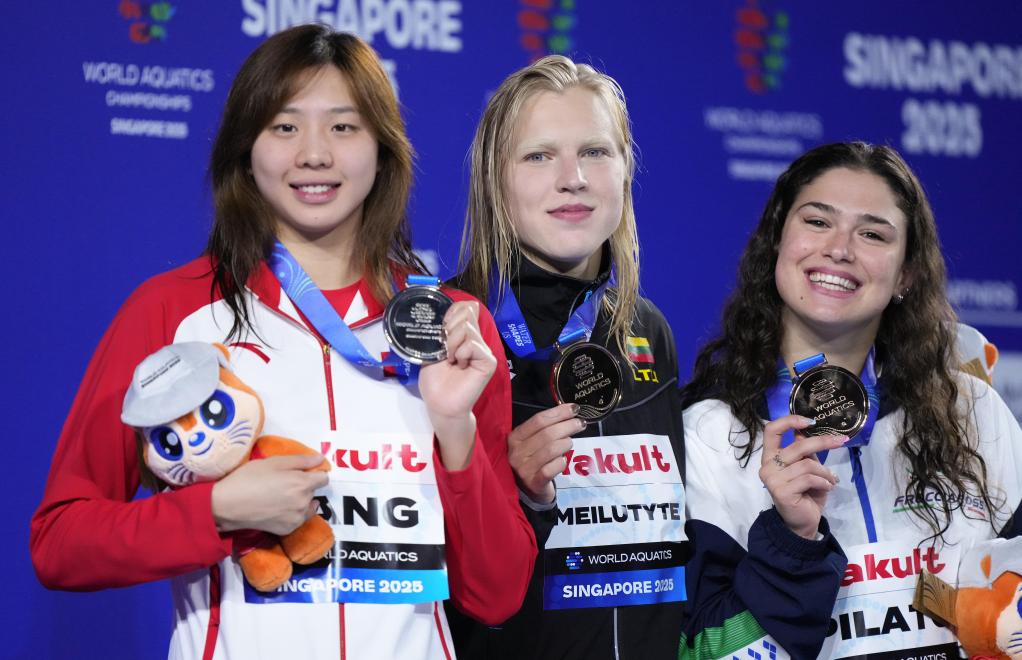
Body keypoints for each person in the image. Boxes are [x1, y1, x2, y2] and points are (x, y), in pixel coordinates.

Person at [30, 25, 535, 660]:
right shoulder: (171, 312)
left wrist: (455, 430)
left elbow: (496, 594)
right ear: (246, 150)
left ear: (382, 149)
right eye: (284, 126)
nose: (315, 154)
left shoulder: (448, 325)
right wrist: (216, 509)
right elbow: (61, 542)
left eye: (344, 127)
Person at [679, 142, 1022, 659]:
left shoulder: (970, 411)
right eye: (818, 222)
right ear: (777, 241)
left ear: (906, 273)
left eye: (873, 234)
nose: (840, 249)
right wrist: (791, 542)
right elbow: (703, 650)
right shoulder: (707, 432)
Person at [447, 55, 687, 659]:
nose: (573, 178)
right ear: (494, 180)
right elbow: (420, 582)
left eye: (596, 152)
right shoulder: (452, 333)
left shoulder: (647, 331)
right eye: (538, 156)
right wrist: (512, 493)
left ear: (626, 170)